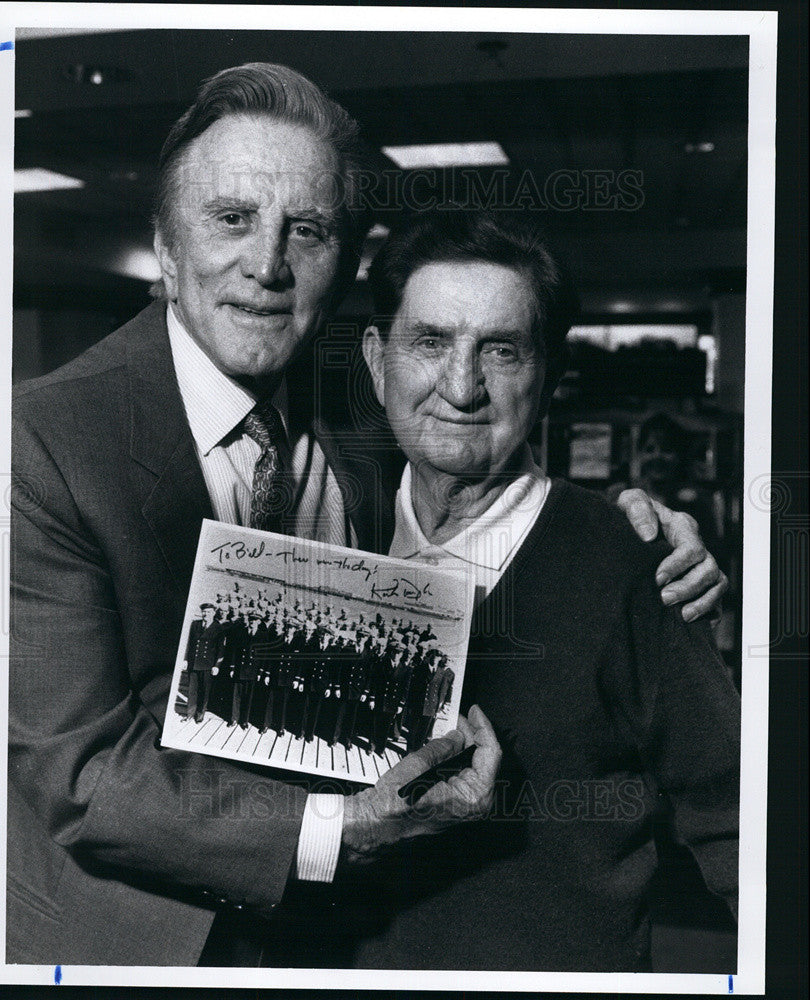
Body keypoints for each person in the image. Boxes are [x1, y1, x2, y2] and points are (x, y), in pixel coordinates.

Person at [9, 62, 726, 967]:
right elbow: (82, 779)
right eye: (231, 218)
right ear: (165, 244)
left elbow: (471, 440)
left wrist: (634, 525)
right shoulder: (42, 444)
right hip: (140, 941)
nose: (267, 265)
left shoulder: (353, 416)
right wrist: (341, 830)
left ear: (341, 264)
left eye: (304, 231)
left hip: (336, 944)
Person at [320, 207, 740, 972]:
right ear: (379, 361)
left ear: (546, 374)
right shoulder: (331, 536)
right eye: (431, 342)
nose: (461, 386)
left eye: (502, 351)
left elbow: (744, 827)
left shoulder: (633, 566)